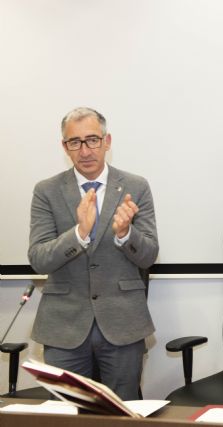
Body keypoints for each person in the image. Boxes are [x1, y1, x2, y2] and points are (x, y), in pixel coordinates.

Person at [28, 107, 159, 400]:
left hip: (123, 321)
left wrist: (126, 234)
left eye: (92, 140)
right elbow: (38, 257)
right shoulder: (46, 191)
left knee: (123, 412)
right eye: (75, 142)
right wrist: (79, 234)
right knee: (67, 414)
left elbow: (149, 255)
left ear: (107, 141)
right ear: (65, 147)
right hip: (64, 325)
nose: (84, 150)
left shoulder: (136, 187)